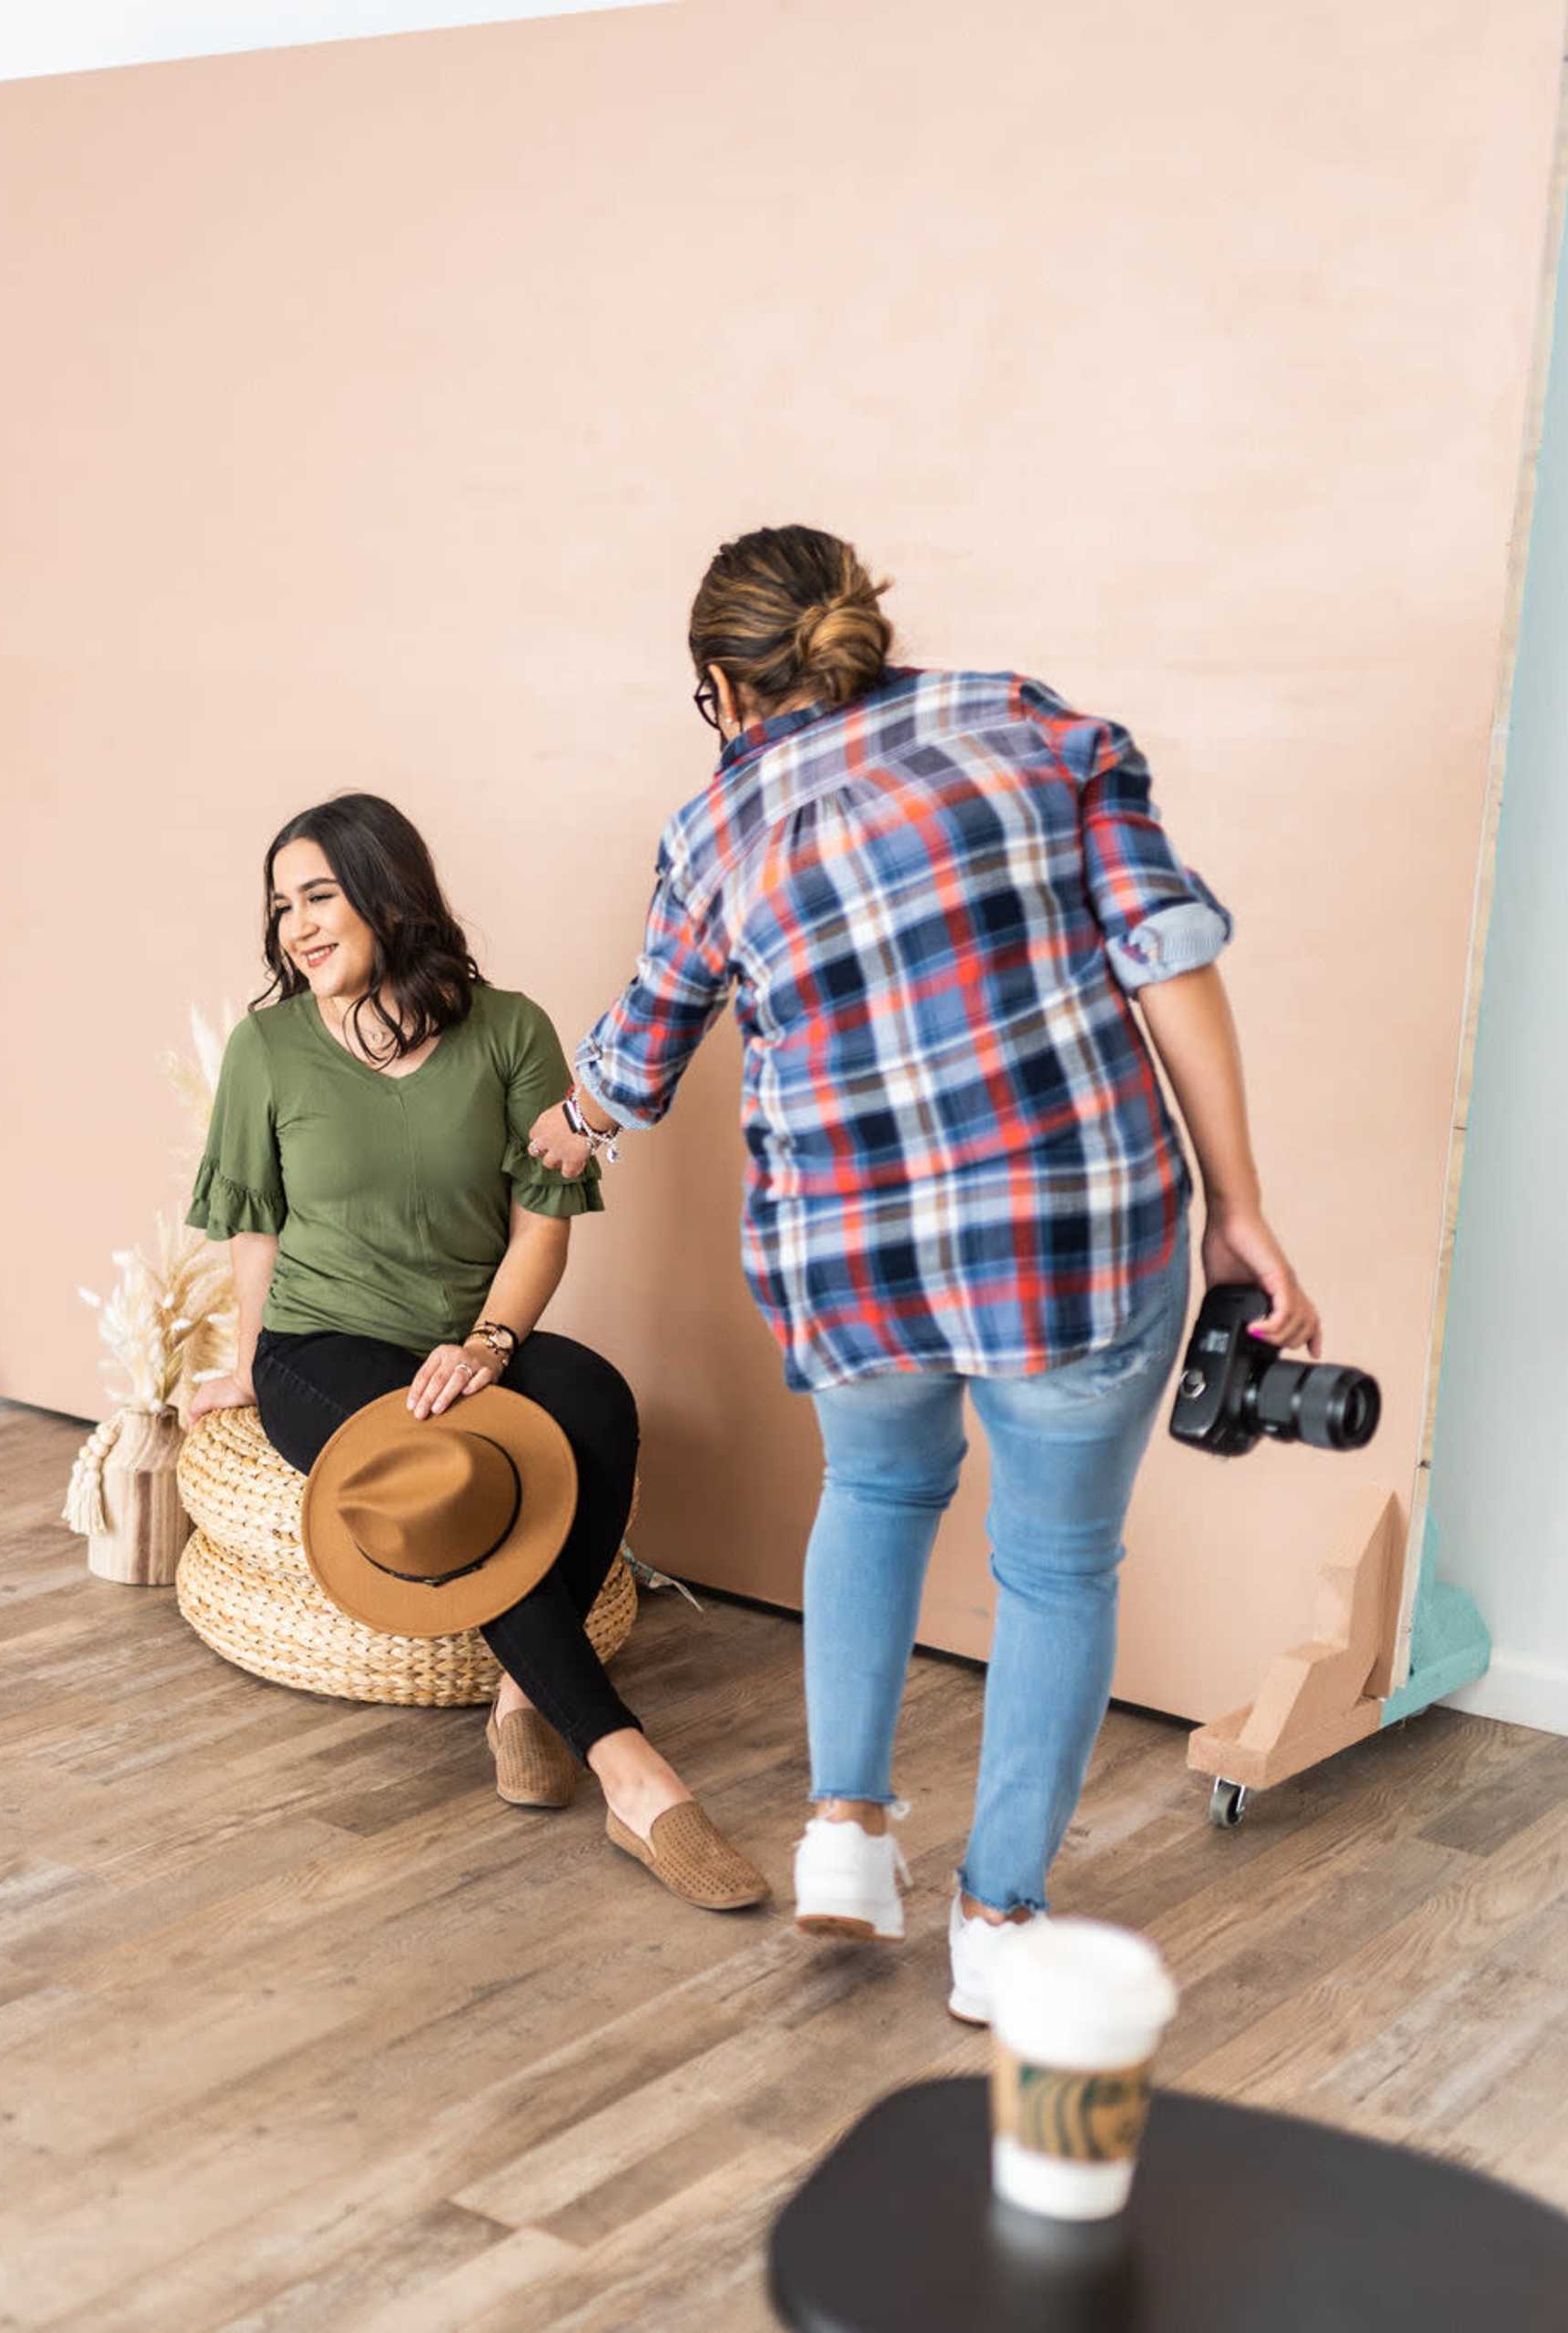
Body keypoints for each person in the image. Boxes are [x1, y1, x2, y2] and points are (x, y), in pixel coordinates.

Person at [525, 525, 1320, 2024]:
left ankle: (847, 1827)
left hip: (854, 1254)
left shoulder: (716, 829)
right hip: (1073, 1233)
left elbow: (641, 1049)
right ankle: (999, 1920)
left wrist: (567, 1129)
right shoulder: (1035, 727)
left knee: (880, 1491)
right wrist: (1242, 1205)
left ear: (721, 685)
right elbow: (1165, 951)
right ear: (864, 633)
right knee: (1059, 1564)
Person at [185, 792, 768, 1912]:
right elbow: (253, 1223)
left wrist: (493, 1343)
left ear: (386, 894)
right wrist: (251, 1361)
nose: (297, 926)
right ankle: (630, 1770)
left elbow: (543, 1215)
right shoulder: (269, 1048)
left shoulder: (509, 1031)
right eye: (281, 908)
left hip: (465, 1332)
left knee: (596, 1401)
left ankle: (521, 1693)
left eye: (318, 896)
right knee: (448, 1465)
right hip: (324, 1343)